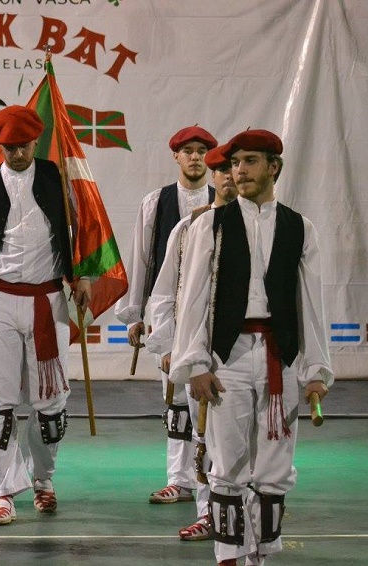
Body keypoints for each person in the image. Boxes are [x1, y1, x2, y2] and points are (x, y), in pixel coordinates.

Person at [169, 129, 332, 566]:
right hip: (229, 357)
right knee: (228, 468)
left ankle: (259, 557)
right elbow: (193, 299)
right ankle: (228, 557)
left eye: (250, 162)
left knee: (275, 472)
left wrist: (316, 370)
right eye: (235, 162)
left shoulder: (300, 228)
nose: (239, 170)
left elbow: (310, 304)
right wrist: (195, 362)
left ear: (274, 167)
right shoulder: (210, 225)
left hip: (282, 358)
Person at [0, 105, 91, 525]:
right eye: (8, 147)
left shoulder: (59, 177)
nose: (15, 153)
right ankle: (3, 493)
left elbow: (84, 229)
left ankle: (43, 480)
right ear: (0, 146)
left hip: (49, 300)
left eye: (22, 145)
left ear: (36, 141)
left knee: (52, 407)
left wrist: (82, 275)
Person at [115, 125, 218, 504]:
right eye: (187, 150)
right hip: (168, 315)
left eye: (200, 150)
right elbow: (142, 259)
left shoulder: (223, 199)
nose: (194, 157)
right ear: (175, 156)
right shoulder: (154, 203)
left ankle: (212, 478)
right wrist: (136, 314)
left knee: (208, 398)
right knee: (174, 401)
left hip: (211, 318)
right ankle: (180, 478)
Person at [145, 144, 238, 540]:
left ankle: (247, 509)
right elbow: (165, 292)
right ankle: (207, 512)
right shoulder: (188, 229)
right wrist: (167, 346)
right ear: (214, 178)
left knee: (241, 436)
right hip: (197, 347)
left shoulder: (270, 225)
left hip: (249, 350)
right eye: (223, 170)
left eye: (233, 168)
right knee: (201, 434)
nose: (229, 177)